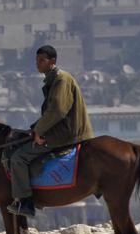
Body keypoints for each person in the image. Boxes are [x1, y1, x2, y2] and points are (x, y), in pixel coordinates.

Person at [6, 45, 93, 217]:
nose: (37, 64)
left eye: (42, 60)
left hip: (66, 134)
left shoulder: (61, 79)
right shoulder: (53, 80)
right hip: (61, 130)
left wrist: (39, 130)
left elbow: (58, 110)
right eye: (37, 60)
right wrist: (34, 129)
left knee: (18, 158)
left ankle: (25, 201)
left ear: (52, 61)